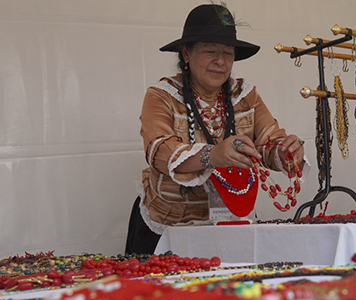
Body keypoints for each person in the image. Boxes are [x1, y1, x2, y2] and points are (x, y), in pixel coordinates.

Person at [125, 4, 307, 254]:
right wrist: (212, 155)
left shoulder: (245, 95)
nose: (220, 62)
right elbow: (159, 151)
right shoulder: (162, 95)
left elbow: (268, 144)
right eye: (210, 51)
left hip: (229, 224)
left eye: (228, 54)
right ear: (186, 53)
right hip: (168, 226)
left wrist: (287, 153)